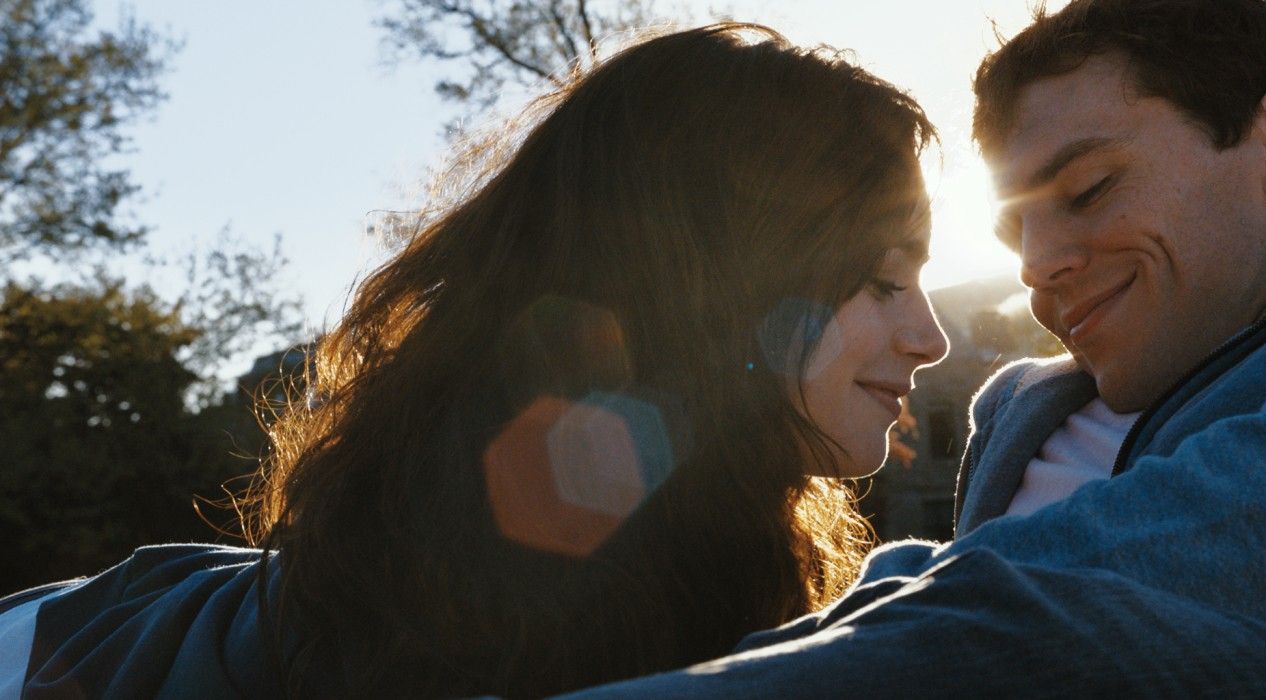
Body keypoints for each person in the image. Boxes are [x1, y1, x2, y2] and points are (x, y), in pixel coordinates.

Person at [0, 23, 948, 697]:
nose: (931, 339)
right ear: (726, 289)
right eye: (880, 282)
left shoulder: (719, 549)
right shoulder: (504, 609)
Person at [556, 0, 1266, 695]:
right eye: (1013, 232)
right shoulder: (1016, 412)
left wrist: (938, 593)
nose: (1036, 267)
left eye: (1088, 188)